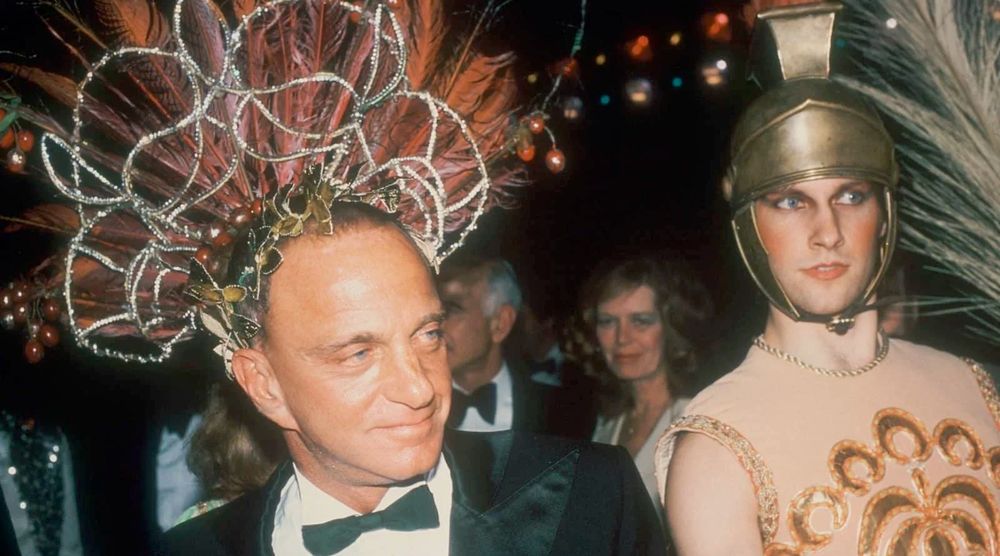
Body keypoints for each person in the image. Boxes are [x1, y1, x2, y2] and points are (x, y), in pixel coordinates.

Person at [4, 0, 664, 553]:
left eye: (429, 335)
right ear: (263, 384)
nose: (420, 388)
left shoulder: (588, 496)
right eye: (357, 353)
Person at [654, 3, 1000, 554]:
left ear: (884, 213)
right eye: (791, 202)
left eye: (851, 196)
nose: (828, 232)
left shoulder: (972, 385)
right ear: (749, 225)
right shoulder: (718, 448)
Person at [577, 257, 712, 509]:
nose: (622, 338)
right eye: (607, 321)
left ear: (672, 328)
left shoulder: (696, 422)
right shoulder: (607, 422)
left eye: (640, 321)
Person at [438, 256, 595, 438]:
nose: (435, 325)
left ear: (501, 323)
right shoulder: (415, 404)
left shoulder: (562, 412)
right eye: (435, 311)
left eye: (451, 309)